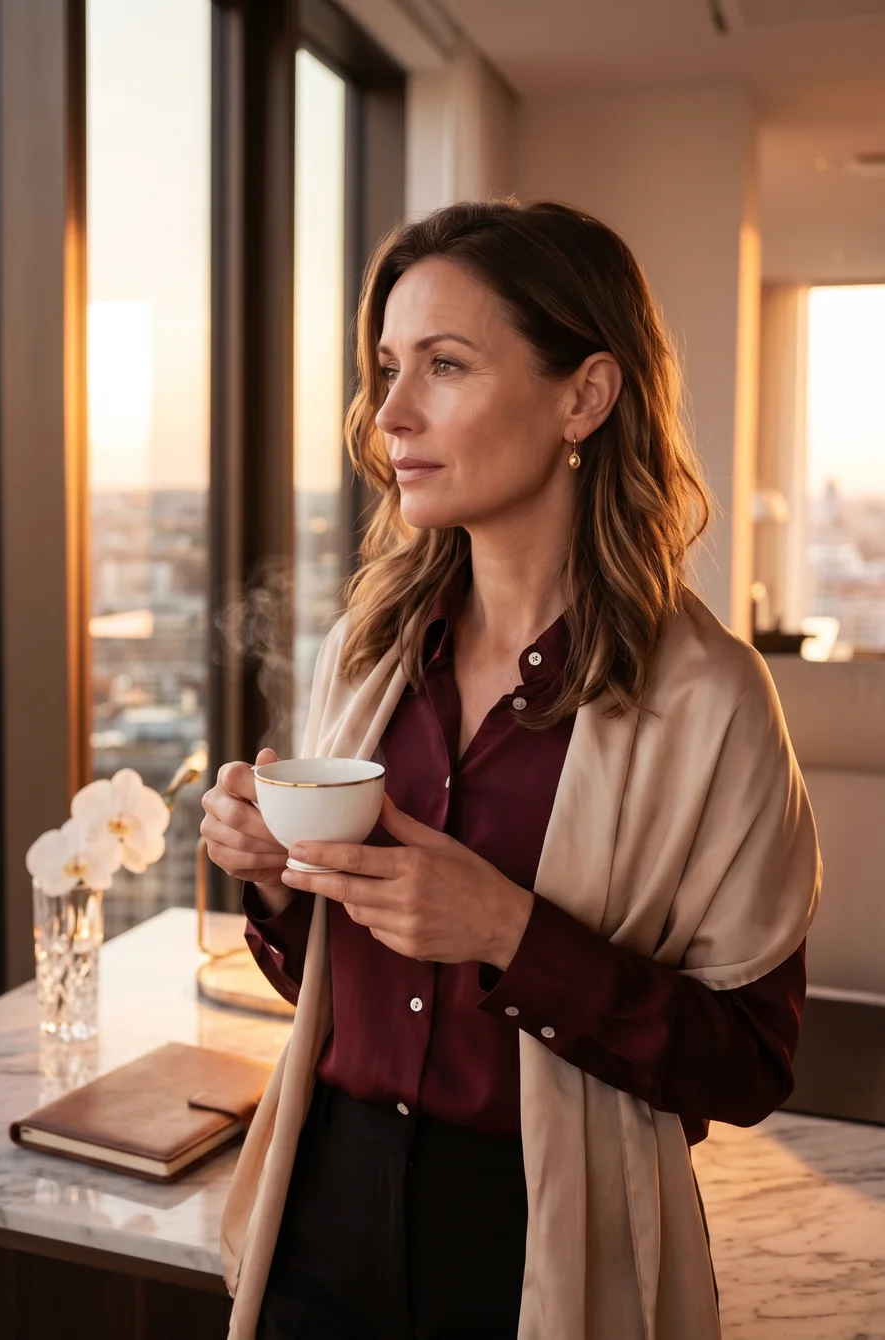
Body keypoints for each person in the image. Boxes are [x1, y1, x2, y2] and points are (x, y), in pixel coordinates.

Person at [200, 199, 821, 1340]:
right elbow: (331, 994)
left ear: (585, 394)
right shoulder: (371, 648)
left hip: (541, 1229)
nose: (392, 412)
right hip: (321, 1206)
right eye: (387, 367)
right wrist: (279, 882)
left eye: (445, 364)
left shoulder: (711, 698)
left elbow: (746, 1065)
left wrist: (511, 934)